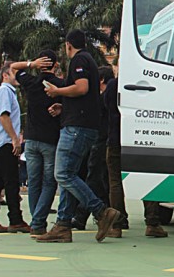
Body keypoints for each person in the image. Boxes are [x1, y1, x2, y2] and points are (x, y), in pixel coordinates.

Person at [36, 30, 121, 243]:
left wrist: (57, 92)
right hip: (83, 124)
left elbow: (81, 88)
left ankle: (101, 211)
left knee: (63, 174)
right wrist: (63, 105)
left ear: (67, 45)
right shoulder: (89, 60)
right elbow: (84, 93)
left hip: (76, 127)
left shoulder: (79, 59)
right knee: (70, 175)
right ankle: (63, 225)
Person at [104, 67, 168, 238]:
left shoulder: (112, 85)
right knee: (148, 179)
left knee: (115, 182)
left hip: (116, 138)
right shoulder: (148, 86)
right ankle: (152, 223)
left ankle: (117, 224)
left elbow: (106, 107)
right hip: (141, 138)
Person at [11, 51, 63, 236]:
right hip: (50, 139)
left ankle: (36, 222)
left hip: (31, 139)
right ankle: (38, 221)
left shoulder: (30, 82)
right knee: (49, 182)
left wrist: (31, 64)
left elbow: (13, 67)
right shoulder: (59, 85)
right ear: (55, 65)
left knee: (33, 182)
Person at [0, 61, 30, 233]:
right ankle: (15, 219)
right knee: (11, 181)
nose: (18, 75)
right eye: (14, 72)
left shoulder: (5, 92)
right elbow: (4, 116)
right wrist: (15, 139)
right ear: (5, 75)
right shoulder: (4, 92)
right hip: (3, 143)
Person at [71, 66, 111, 230]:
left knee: (93, 179)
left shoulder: (102, 99)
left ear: (101, 80)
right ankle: (113, 215)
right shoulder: (112, 96)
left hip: (100, 141)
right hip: (108, 141)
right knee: (104, 181)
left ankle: (81, 216)